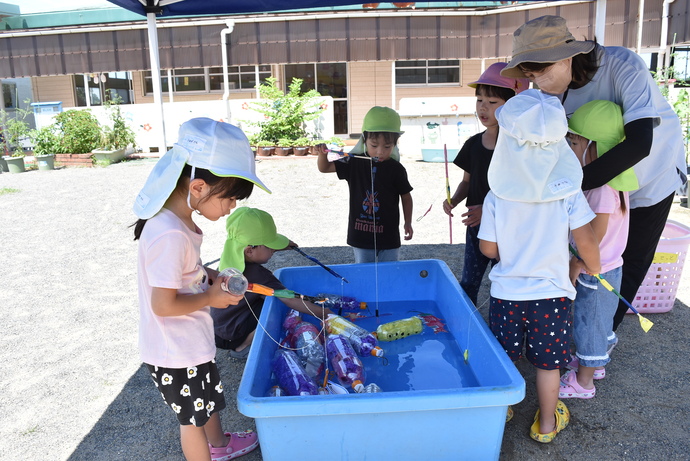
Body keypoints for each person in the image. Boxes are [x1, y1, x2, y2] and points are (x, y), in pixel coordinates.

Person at [501, 15, 687, 331]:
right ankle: (580, 328)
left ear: (567, 56)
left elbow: (640, 142)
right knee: (584, 253)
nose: (539, 83)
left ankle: (600, 341)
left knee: (629, 260)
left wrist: (572, 187)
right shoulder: (551, 94)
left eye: (543, 71)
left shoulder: (621, 65)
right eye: (531, 76)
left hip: (650, 175)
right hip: (598, 182)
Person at [132, 118, 268, 461]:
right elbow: (162, 305)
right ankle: (209, 451)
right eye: (230, 198)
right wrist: (210, 297)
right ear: (198, 188)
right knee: (192, 420)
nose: (232, 206)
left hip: (190, 343)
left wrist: (211, 277)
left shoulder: (179, 222)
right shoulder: (169, 234)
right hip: (174, 352)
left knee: (206, 400)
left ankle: (220, 446)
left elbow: (186, 272)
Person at [477, 90, 601, 443]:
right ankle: (547, 424)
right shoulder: (567, 192)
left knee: (506, 357)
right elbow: (588, 243)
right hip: (551, 297)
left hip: (506, 294)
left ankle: (502, 409)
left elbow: (488, 248)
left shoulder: (498, 193)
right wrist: (586, 264)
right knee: (549, 366)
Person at [560, 100, 632, 399]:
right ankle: (595, 364)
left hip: (595, 268)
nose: (568, 146)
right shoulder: (611, 178)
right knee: (599, 318)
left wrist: (578, 261)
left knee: (589, 322)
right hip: (607, 266)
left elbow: (596, 234)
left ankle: (584, 382)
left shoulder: (601, 188)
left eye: (573, 141)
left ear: (595, 149)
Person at [442, 62, 529, 305]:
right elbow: (467, 182)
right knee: (469, 280)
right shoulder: (472, 144)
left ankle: (502, 322)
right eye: (479, 100)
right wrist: (454, 200)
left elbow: (522, 191)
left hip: (507, 227)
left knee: (504, 279)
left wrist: (488, 210)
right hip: (474, 226)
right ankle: (466, 321)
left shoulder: (520, 145)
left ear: (514, 105)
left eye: (492, 103)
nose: (483, 107)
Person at [212, 206, 333, 358]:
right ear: (249, 250)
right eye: (272, 248)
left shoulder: (229, 261)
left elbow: (258, 249)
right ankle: (242, 347)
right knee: (273, 306)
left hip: (215, 330)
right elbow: (289, 298)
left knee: (263, 299)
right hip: (232, 337)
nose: (273, 251)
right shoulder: (259, 275)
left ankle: (240, 341)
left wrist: (280, 246)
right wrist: (324, 314)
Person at [317, 106, 414, 263]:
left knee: (389, 272)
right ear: (364, 140)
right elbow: (325, 168)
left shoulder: (396, 169)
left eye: (387, 146)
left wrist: (408, 222)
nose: (380, 152)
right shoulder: (353, 162)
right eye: (374, 146)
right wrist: (322, 155)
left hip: (389, 235)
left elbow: (406, 196)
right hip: (360, 234)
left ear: (395, 143)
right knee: (363, 271)